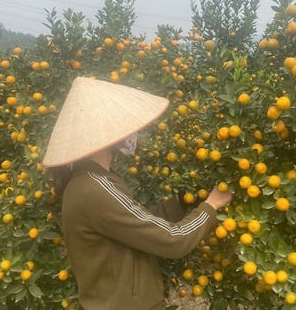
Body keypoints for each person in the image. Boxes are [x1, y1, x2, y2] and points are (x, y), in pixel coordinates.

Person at [43, 77, 232, 310]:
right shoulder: (97, 189)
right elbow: (173, 240)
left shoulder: (90, 181)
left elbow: (134, 225)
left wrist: (181, 201)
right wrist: (211, 205)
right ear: (108, 133)